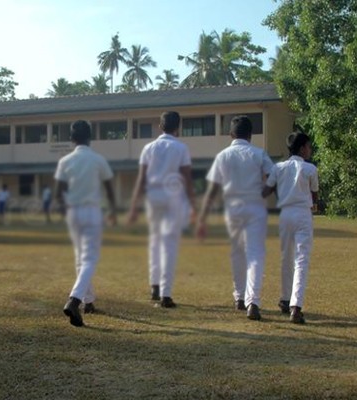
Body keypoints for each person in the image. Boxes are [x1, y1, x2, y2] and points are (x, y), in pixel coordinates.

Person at [196, 115, 274, 321]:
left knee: (237, 253)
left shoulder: (223, 155)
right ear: (250, 135)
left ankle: (239, 297)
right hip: (255, 207)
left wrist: (202, 217)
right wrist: (266, 191)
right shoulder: (259, 153)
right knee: (255, 254)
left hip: (232, 209)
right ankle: (253, 302)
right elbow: (273, 177)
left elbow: (212, 189)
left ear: (231, 134)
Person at [128, 111, 195, 308]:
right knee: (170, 245)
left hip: (153, 197)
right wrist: (193, 204)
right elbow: (187, 178)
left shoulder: (149, 148)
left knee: (155, 242)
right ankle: (166, 293)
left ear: (160, 126)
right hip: (172, 197)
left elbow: (141, 178)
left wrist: (134, 206)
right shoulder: (181, 148)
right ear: (178, 127)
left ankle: (154, 286)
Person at [55, 120, 117, 327]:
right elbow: (109, 187)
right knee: (89, 259)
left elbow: (58, 193)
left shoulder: (65, 161)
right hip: (91, 211)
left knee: (80, 259)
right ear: (90, 138)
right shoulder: (97, 159)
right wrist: (113, 211)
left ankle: (88, 302)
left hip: (73, 212)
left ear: (71, 139)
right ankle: (74, 300)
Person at [262, 132, 319, 324]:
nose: (310, 150)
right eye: (309, 147)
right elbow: (315, 195)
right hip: (303, 213)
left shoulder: (279, 167)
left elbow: (267, 189)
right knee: (301, 260)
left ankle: (285, 299)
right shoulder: (310, 168)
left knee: (286, 257)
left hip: (285, 215)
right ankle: (296, 305)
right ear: (302, 148)